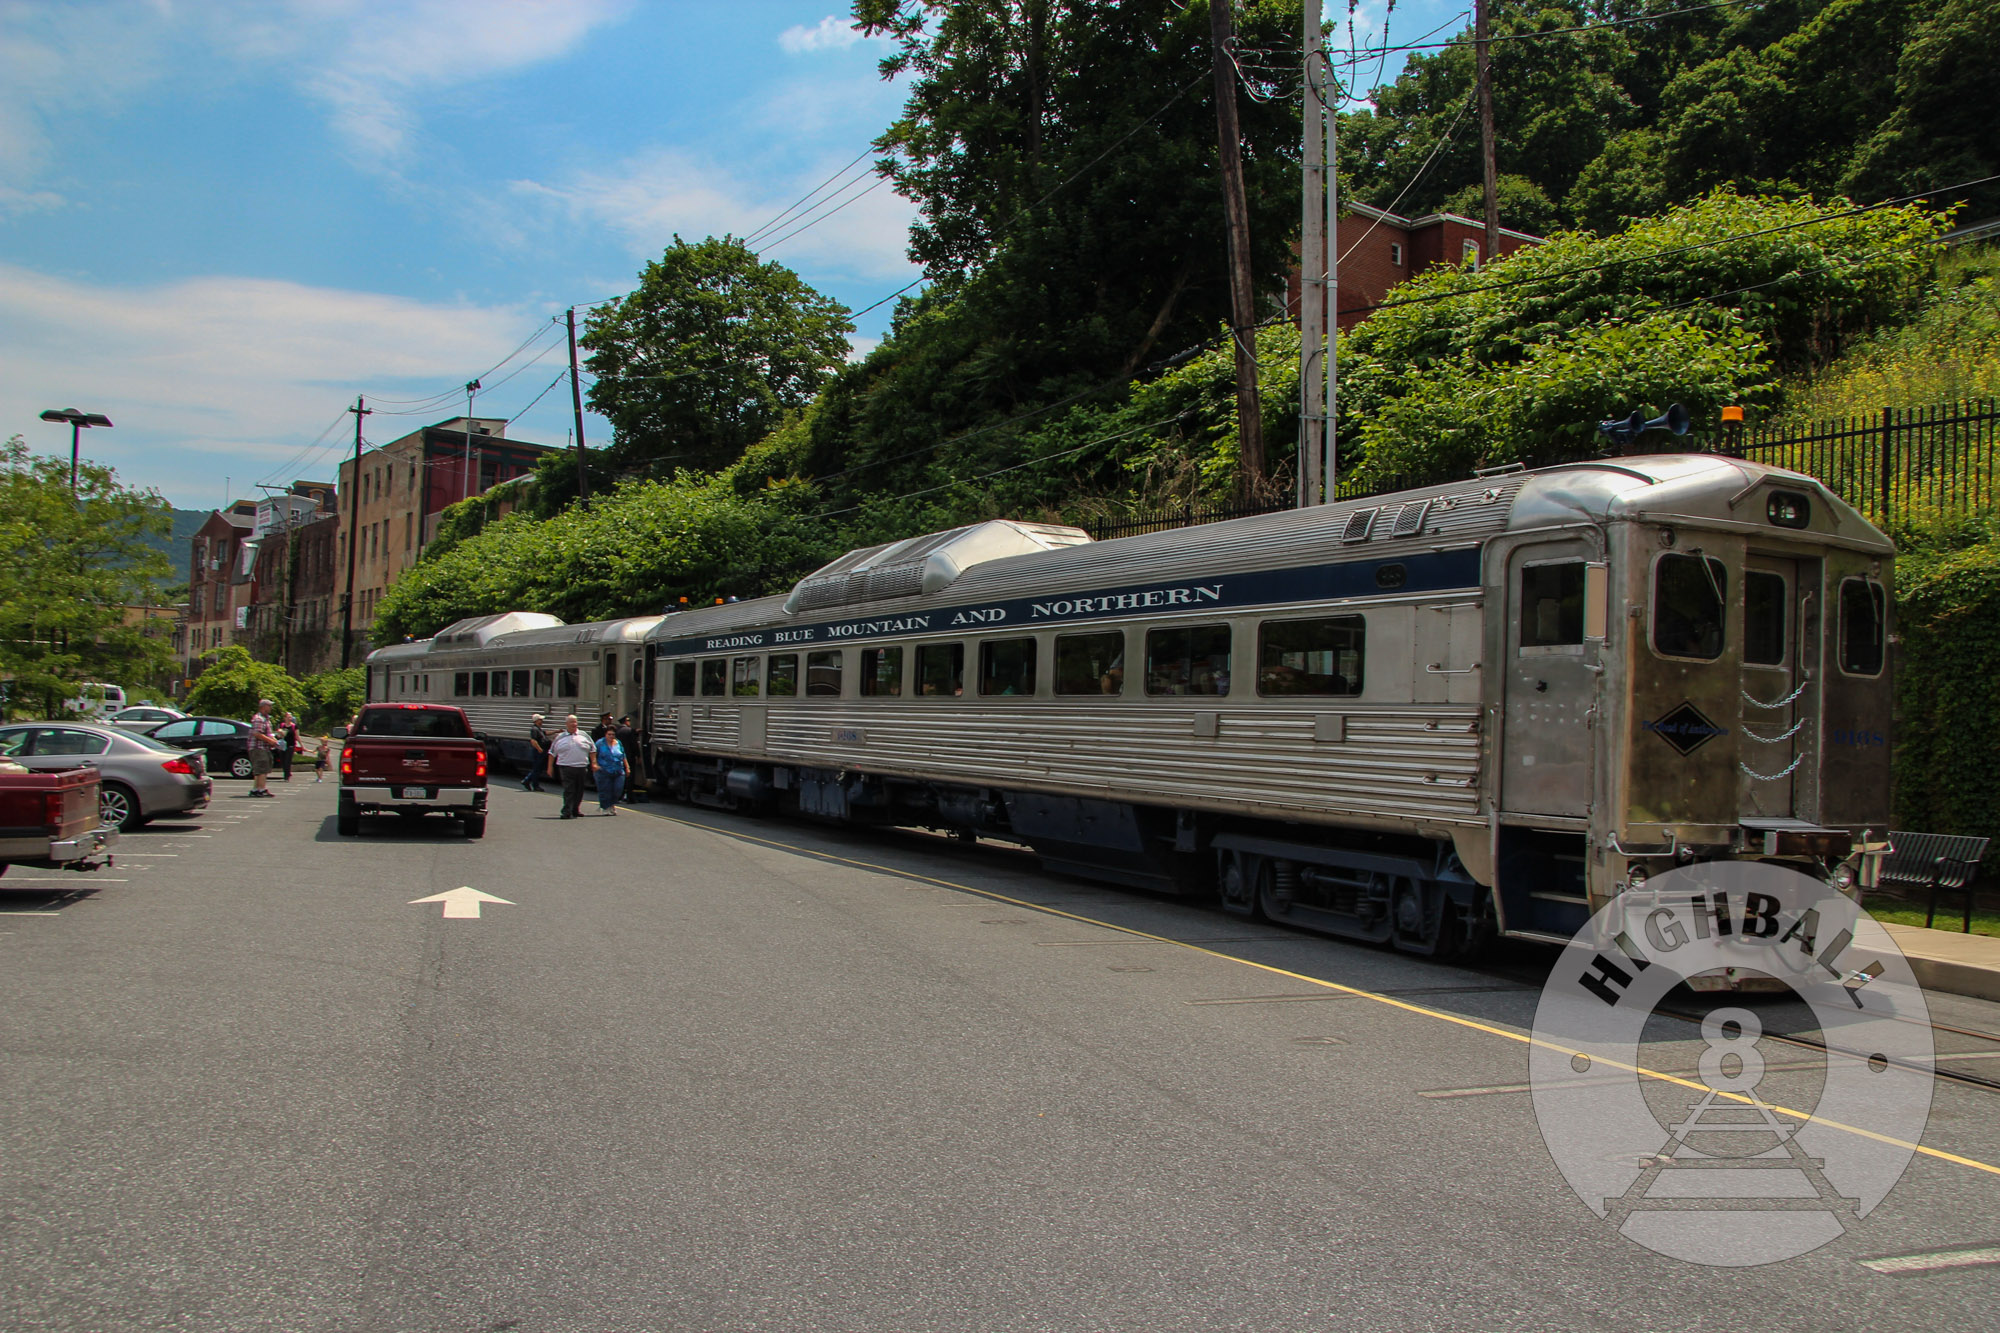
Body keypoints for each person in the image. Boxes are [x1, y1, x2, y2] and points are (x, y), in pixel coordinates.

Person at [546, 714, 595, 820]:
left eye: (575, 722)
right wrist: (550, 767)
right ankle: (566, 811)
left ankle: (575, 809)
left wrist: (594, 763)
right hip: (566, 767)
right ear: (566, 724)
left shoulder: (584, 735)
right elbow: (552, 753)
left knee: (579, 790)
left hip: (581, 767)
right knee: (569, 789)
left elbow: (592, 750)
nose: (574, 724)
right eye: (571, 722)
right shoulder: (560, 737)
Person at [593, 725, 630, 814]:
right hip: (604, 770)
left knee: (618, 789)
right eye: (609, 734)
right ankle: (606, 807)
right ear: (605, 735)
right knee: (606, 790)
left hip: (618, 770)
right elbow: (593, 753)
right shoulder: (600, 743)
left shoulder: (618, 743)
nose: (611, 736)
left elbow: (623, 755)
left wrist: (627, 767)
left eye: (613, 734)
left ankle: (612, 803)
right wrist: (594, 764)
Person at [247, 698, 278, 797]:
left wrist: (274, 740)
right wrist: (270, 741)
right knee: (262, 768)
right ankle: (260, 789)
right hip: (258, 747)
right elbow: (257, 734)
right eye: (269, 706)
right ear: (264, 707)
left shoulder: (266, 719)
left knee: (263, 768)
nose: (271, 707)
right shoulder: (258, 719)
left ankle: (257, 788)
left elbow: (268, 733)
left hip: (264, 747)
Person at [523, 714, 549, 792]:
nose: (542, 721)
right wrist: (539, 749)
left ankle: (526, 780)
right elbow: (533, 740)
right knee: (537, 769)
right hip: (538, 752)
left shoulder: (539, 729)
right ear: (536, 720)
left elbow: (546, 733)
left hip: (540, 751)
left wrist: (557, 731)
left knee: (538, 768)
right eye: (540, 719)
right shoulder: (534, 729)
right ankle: (534, 785)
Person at [277, 712, 300, 782]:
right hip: (282, 745)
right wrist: (280, 733)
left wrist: (301, 745)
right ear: (285, 718)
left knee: (287, 761)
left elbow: (297, 736)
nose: (290, 718)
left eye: (291, 717)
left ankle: (286, 777)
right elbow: (278, 736)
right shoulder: (281, 725)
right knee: (283, 761)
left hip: (291, 745)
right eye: (288, 717)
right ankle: (287, 773)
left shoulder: (294, 726)